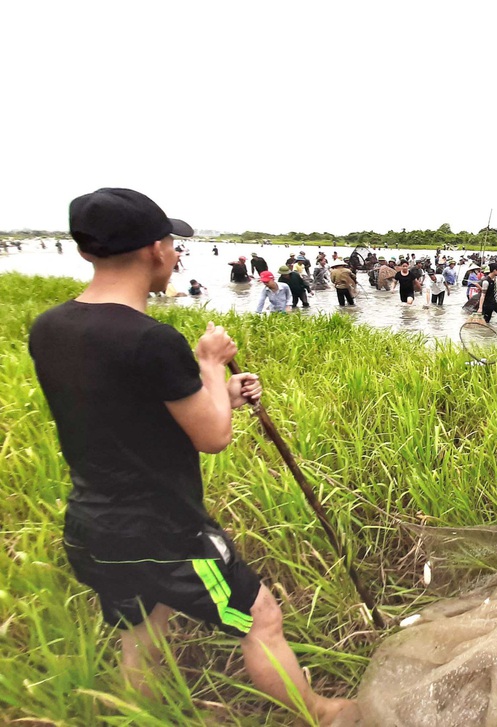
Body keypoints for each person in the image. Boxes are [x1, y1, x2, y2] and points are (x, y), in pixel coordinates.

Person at [28, 188, 352, 725]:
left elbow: (128, 414)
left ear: (86, 251)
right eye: (173, 244)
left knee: (143, 629)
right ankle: (320, 713)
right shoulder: (152, 340)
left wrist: (218, 392)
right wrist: (210, 363)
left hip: (92, 524)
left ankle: (142, 715)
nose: (176, 254)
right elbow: (212, 438)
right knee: (260, 617)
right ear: (156, 250)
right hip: (163, 528)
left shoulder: (50, 327)